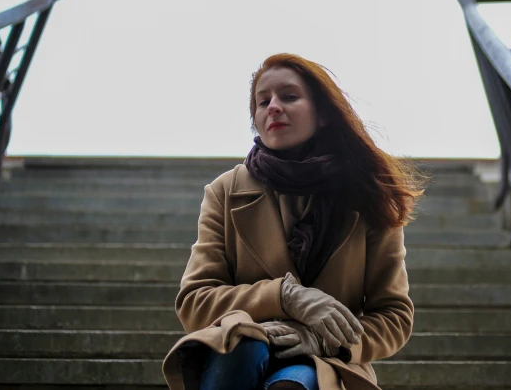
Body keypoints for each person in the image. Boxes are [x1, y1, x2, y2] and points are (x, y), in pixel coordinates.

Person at [162, 53, 425, 390]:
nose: (273, 107)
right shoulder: (225, 191)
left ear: (324, 114)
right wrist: (286, 297)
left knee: (297, 383)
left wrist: (325, 340)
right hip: (237, 354)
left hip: (326, 362)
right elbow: (195, 301)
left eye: (289, 97)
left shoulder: (369, 193)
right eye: (262, 101)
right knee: (245, 346)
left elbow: (394, 316)